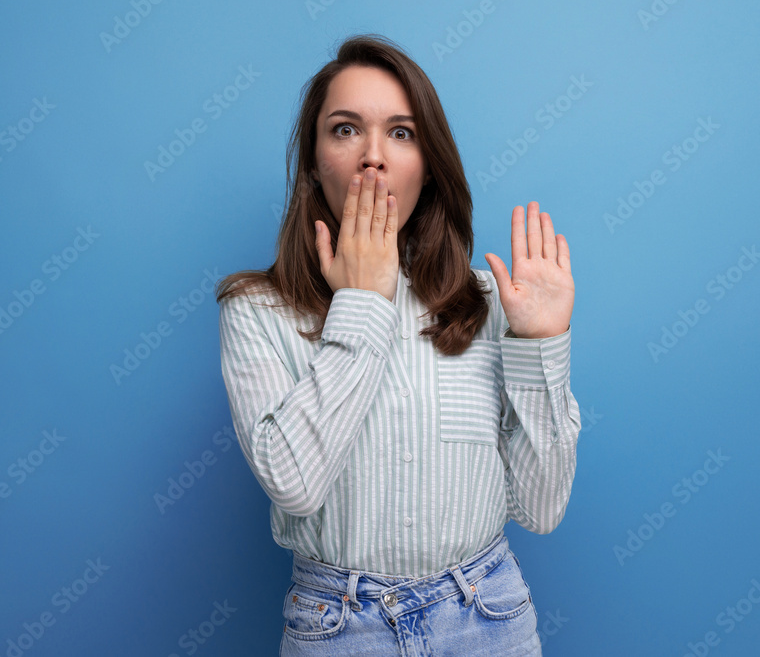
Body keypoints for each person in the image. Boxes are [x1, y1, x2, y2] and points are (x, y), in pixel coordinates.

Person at [215, 33, 580, 656]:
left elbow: (542, 508)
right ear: (313, 162)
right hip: (337, 629)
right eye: (345, 129)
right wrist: (363, 303)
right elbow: (295, 485)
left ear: (430, 166)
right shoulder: (255, 310)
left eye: (403, 133)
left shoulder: (491, 304)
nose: (374, 157)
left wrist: (541, 343)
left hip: (486, 617)